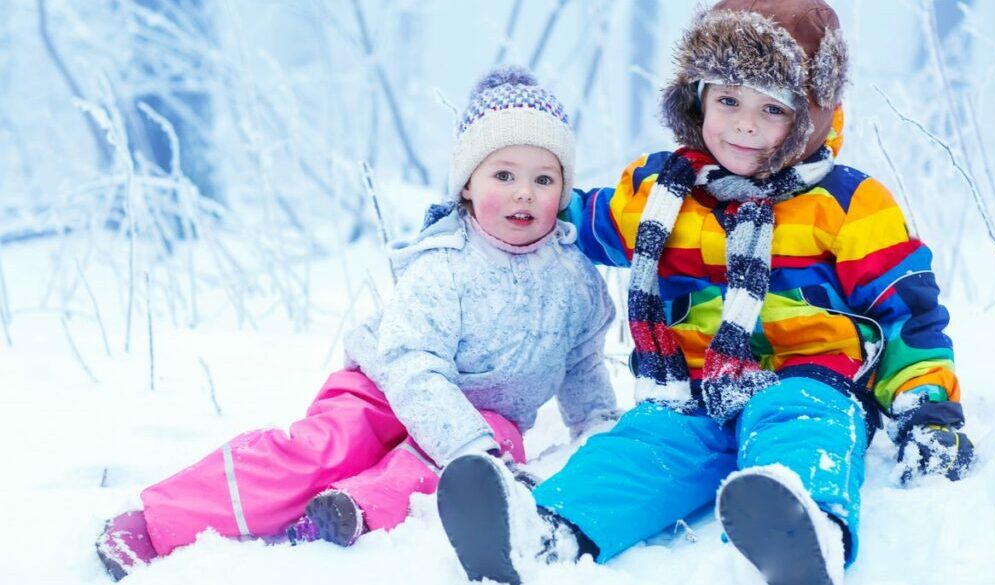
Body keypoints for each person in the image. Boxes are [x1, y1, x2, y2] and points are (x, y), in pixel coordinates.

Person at [436, 2, 976, 585]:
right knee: (645, 446)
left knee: (797, 422)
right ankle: (544, 532)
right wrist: (506, 204)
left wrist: (928, 412)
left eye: (772, 107)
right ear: (696, 97)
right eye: (728, 100)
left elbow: (907, 314)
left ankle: (802, 526)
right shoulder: (659, 193)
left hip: (814, 380)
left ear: (812, 116)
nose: (744, 124)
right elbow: (581, 218)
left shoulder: (848, 203)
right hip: (690, 389)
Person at [94, 66, 619, 581]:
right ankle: (161, 520)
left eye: (543, 178)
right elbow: (412, 364)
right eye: (503, 175)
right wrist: (463, 439)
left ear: (564, 192)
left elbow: (580, 362)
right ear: (466, 185)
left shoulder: (574, 281)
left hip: (485, 417)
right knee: (322, 450)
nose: (524, 192)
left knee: (468, 472)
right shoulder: (445, 264)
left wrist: (597, 426)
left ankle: (346, 511)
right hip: (383, 391)